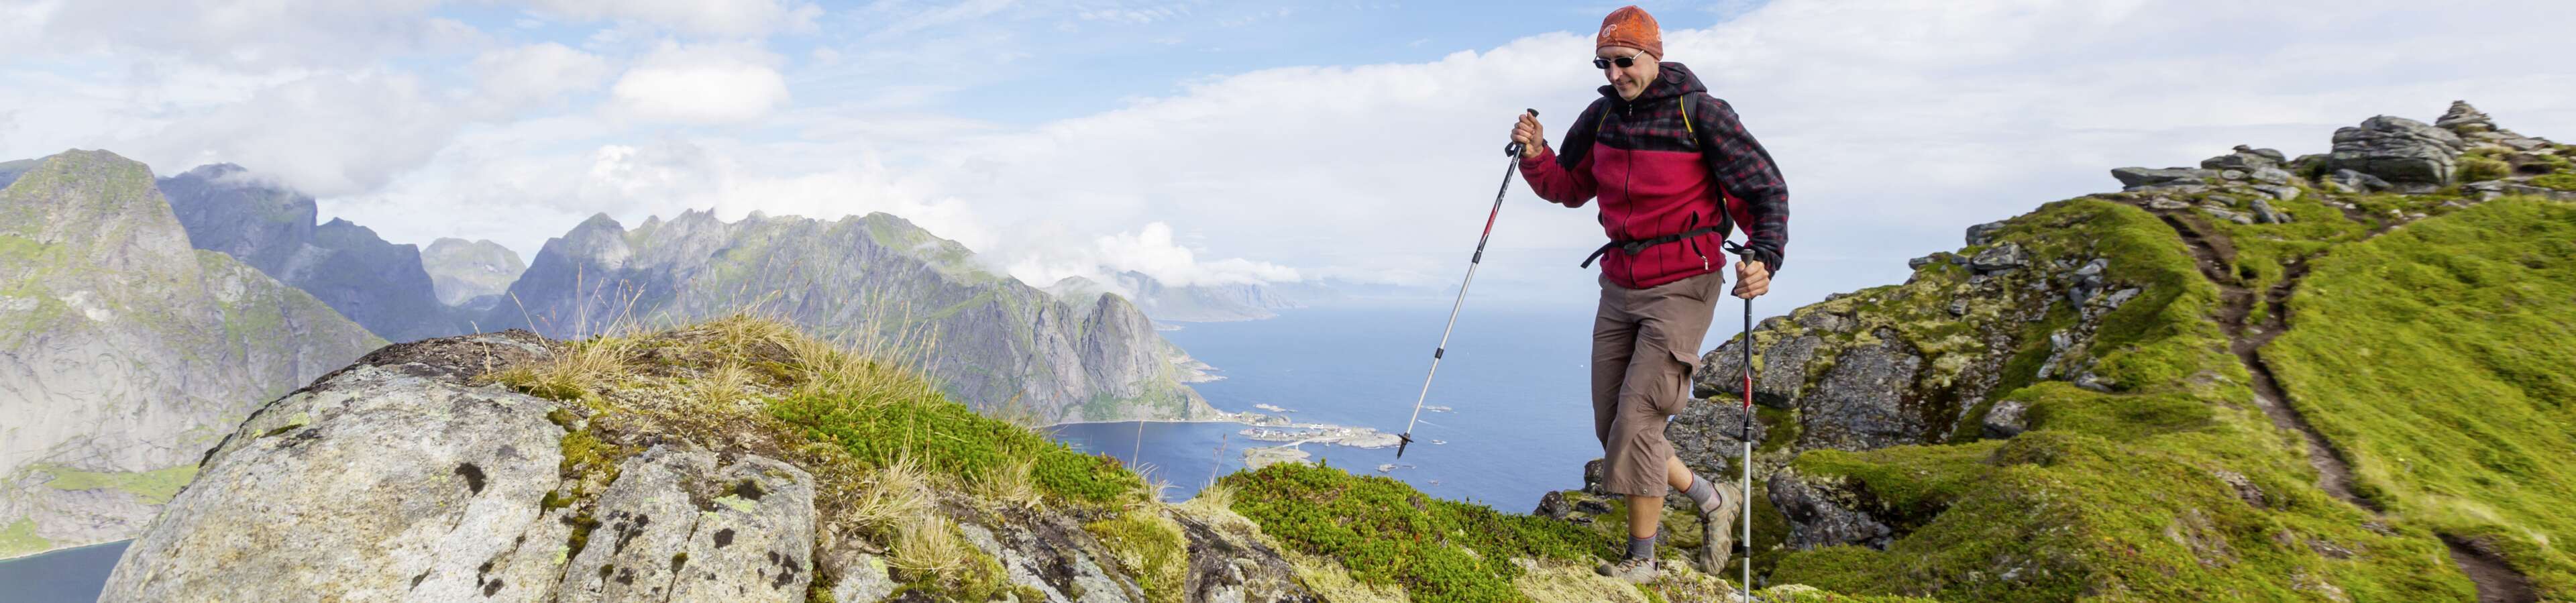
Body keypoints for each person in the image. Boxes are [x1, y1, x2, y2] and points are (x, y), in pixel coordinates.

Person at [1509, 5, 1788, 583]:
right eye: (1605, 63)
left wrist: (1764, 257)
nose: (1615, 74)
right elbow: (1571, 187)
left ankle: (1642, 563)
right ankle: (1712, 497)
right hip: (1620, 280)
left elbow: (1764, 189)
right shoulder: (1602, 117)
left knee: (1637, 422)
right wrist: (1538, 155)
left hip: (1684, 282)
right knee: (1611, 423)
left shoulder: (1701, 113)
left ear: (1653, 56)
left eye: (1625, 61)